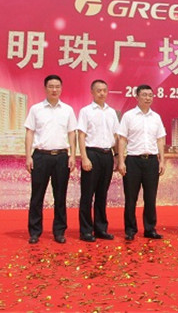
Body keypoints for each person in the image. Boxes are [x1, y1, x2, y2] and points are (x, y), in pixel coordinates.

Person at [24, 74, 77, 244]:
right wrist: (28, 156)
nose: (54, 90)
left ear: (61, 88)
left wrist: (72, 155)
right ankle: (35, 232)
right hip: (40, 156)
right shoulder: (36, 109)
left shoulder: (67, 110)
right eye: (51, 86)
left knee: (60, 196)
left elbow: (72, 133)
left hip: (61, 157)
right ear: (45, 88)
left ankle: (59, 231)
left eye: (57, 86)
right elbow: (29, 132)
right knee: (37, 196)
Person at [117, 84, 167, 241]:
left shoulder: (156, 117)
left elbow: (160, 139)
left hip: (151, 161)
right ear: (137, 97)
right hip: (133, 161)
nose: (147, 98)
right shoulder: (129, 116)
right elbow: (122, 139)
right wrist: (121, 161)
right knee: (131, 198)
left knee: (150, 198)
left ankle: (150, 229)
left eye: (150, 95)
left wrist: (162, 160)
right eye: (144, 95)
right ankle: (130, 230)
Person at [77, 79, 119, 242]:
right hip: (92, 154)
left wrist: (116, 156)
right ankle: (86, 231)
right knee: (87, 195)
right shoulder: (86, 111)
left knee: (102, 194)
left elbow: (116, 136)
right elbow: (81, 135)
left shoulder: (111, 112)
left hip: (107, 155)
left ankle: (101, 229)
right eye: (98, 90)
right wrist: (84, 157)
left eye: (104, 90)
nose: (102, 93)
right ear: (92, 92)